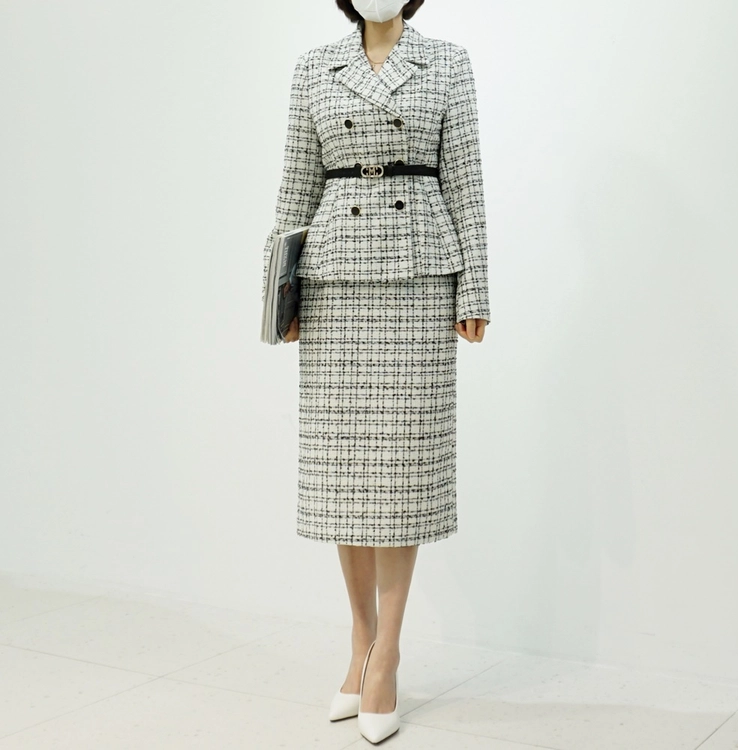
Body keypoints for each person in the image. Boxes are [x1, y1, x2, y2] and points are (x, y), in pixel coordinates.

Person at [261, 0, 491, 742]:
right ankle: (359, 641)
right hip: (334, 278)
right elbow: (296, 185)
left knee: (400, 469)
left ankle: (387, 653)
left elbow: (466, 183)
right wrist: (279, 293)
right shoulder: (313, 67)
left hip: (417, 275)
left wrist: (476, 288)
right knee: (347, 472)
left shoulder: (448, 62)